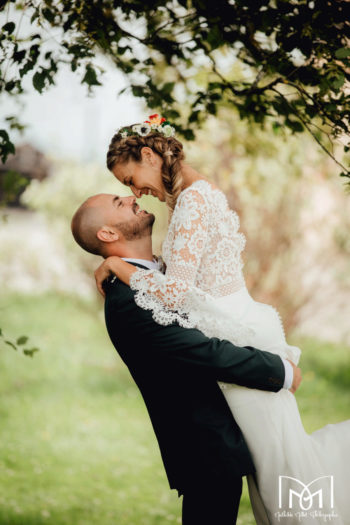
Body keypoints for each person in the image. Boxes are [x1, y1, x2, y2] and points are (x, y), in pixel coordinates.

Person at [94, 114, 350, 524]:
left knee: (285, 474)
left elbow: (176, 292)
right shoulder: (189, 198)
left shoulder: (194, 200)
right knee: (277, 472)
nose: (134, 190)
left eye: (130, 179)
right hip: (235, 330)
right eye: (126, 187)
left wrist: (122, 268)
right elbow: (186, 281)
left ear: (149, 155)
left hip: (236, 336)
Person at [71, 193, 302, 525]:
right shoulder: (126, 301)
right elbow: (203, 352)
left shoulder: (164, 274)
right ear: (107, 234)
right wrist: (279, 371)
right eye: (118, 203)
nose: (130, 197)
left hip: (233, 431)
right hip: (205, 450)